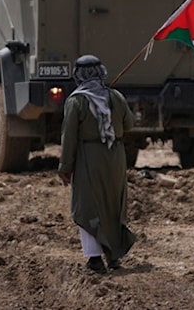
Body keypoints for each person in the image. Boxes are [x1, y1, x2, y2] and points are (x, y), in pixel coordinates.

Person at [58, 54, 136, 274]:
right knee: (112, 205)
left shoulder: (76, 101)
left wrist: (65, 167)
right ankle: (114, 256)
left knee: (88, 206)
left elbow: (69, 137)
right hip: (116, 157)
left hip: (89, 157)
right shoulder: (116, 96)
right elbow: (129, 125)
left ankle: (94, 259)